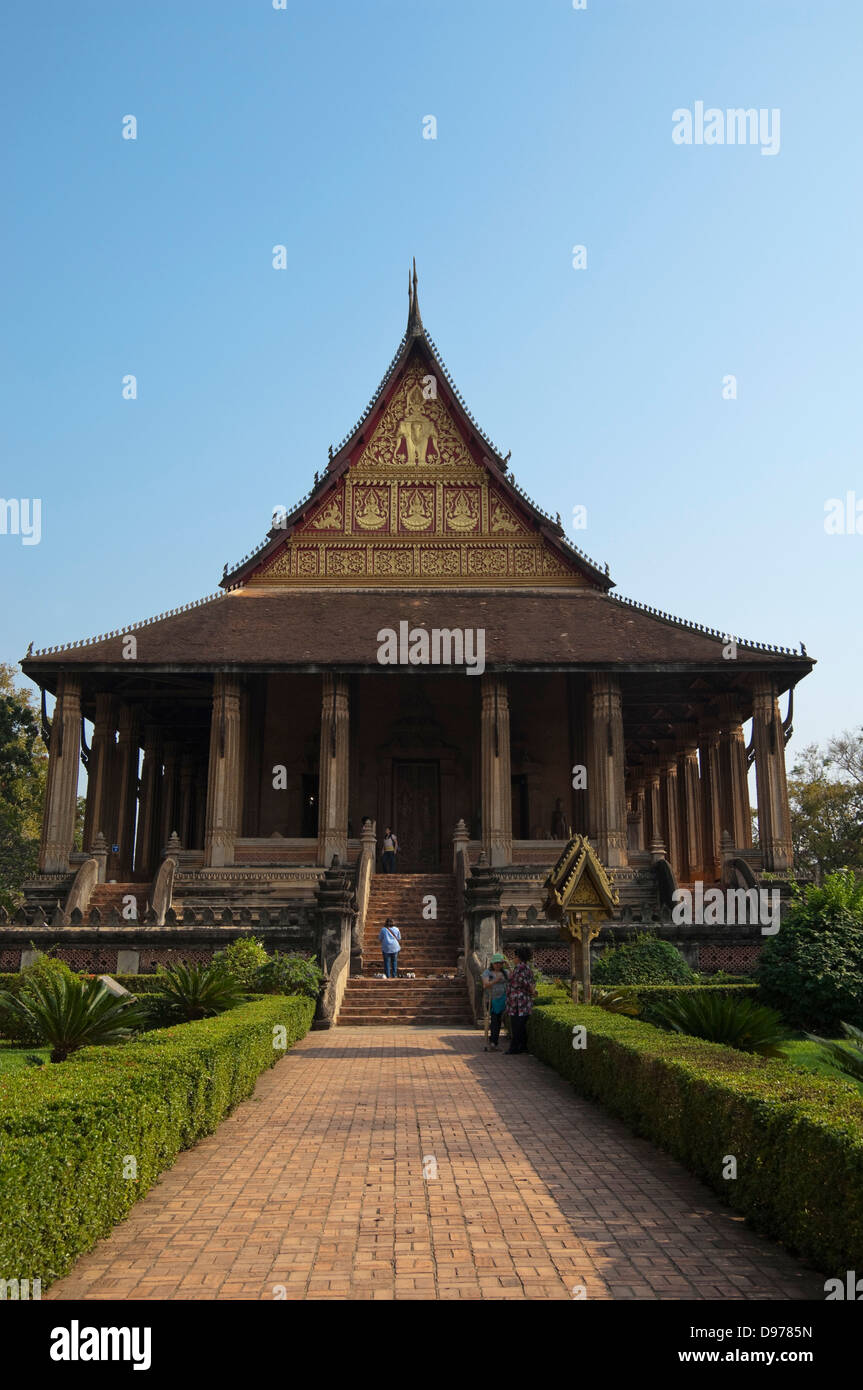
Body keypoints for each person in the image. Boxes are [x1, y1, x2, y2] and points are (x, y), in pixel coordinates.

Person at [505, 946, 535, 1054]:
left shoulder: (520, 968)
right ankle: (522, 1047)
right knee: (520, 1025)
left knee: (517, 1025)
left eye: (515, 957)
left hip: (519, 1001)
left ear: (518, 957)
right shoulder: (526, 968)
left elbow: (522, 981)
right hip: (523, 1000)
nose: (513, 959)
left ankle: (514, 1048)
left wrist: (531, 990)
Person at [481, 952, 510, 1050]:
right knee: (495, 1021)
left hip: (504, 999)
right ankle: (493, 1042)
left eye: (500, 963)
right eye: (496, 963)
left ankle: (495, 1041)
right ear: (492, 963)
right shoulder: (487, 973)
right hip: (493, 999)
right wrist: (495, 980)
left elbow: (513, 978)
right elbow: (485, 985)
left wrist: (509, 966)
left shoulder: (505, 972)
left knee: (502, 1021)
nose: (498, 965)